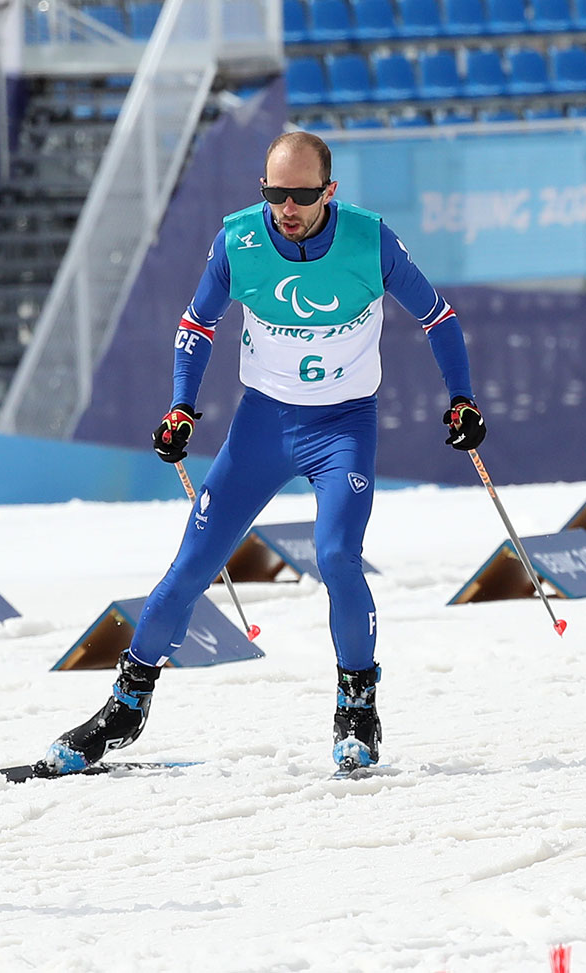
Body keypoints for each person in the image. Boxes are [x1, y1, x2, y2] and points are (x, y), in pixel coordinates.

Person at [39, 131, 485, 776]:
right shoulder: (239, 240)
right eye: (275, 193)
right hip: (263, 428)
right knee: (190, 567)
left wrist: (463, 398)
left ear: (329, 191)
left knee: (335, 554)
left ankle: (357, 707)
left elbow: (437, 318)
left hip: (343, 427)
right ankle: (123, 710)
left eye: (302, 195)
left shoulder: (369, 239)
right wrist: (180, 406)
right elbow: (197, 324)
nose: (287, 208)